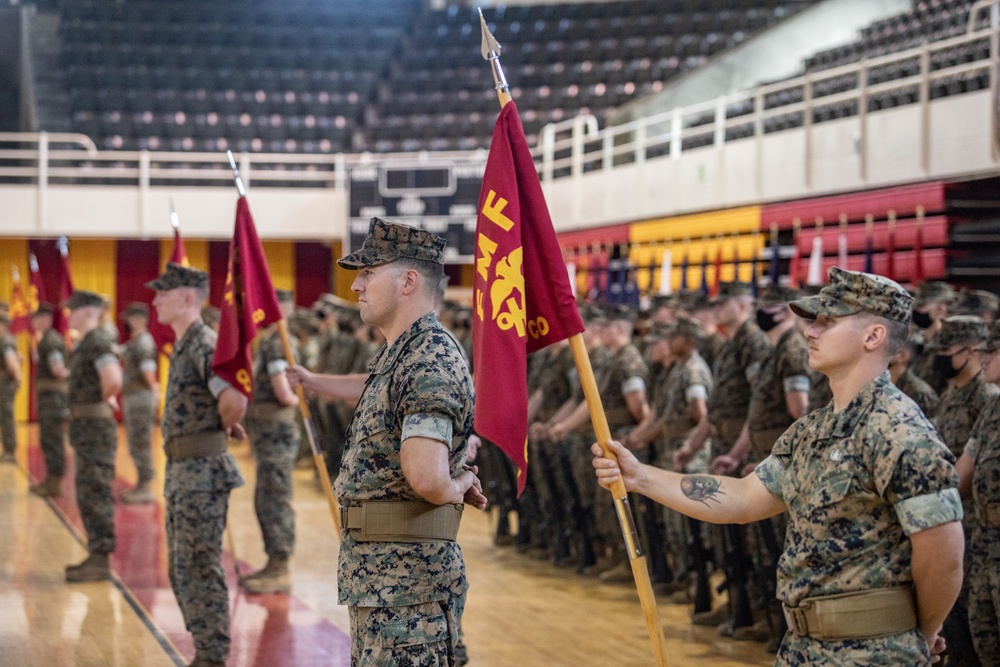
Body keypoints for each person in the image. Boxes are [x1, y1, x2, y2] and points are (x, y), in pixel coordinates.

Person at [592, 268, 964, 665]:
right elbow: (743, 497)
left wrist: (920, 634)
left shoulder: (898, 429)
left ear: (874, 336)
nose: (810, 331)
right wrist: (641, 477)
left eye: (828, 321)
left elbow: (943, 554)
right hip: (803, 647)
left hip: (873, 651)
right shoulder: (812, 429)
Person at [286, 217, 486, 666]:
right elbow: (377, 389)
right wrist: (314, 380)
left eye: (368, 272)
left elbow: (427, 477)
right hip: (385, 581)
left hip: (407, 587)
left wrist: (455, 485)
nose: (356, 285)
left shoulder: (429, 356)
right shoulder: (405, 352)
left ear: (408, 281)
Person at [148, 262, 247, 667]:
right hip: (184, 473)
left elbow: (235, 400)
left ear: (187, 297)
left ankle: (212, 655)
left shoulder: (205, 343)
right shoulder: (187, 344)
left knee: (199, 566)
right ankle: (206, 648)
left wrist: (217, 430)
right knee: (183, 567)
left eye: (162, 293)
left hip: (201, 474)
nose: (154, 301)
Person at [240, 288, 301, 594]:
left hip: (276, 431)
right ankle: (274, 563)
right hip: (268, 431)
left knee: (273, 497)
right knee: (268, 495)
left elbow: (284, 393)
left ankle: (280, 566)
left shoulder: (278, 343)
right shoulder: (275, 341)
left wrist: (296, 398)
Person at [65, 290, 122, 582]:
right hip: (87, 428)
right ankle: (96, 554)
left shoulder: (97, 340)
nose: (68, 315)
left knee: (95, 490)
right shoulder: (87, 342)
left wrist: (100, 401)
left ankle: (100, 558)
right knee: (88, 491)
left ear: (88, 311)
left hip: (94, 429)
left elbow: (113, 379)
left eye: (73, 310)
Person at [955, 322, 1000, 664]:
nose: (982, 359)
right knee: (983, 635)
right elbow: (962, 473)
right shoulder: (992, 409)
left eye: (992, 352)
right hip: (984, 542)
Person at [119, 302, 160, 504]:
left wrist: (153, 389)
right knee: (136, 443)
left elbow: (148, 371)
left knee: (140, 443)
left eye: (129, 318)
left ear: (138, 319)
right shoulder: (135, 341)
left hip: (139, 399)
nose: (127, 322)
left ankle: (145, 487)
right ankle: (142, 483)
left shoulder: (143, 342)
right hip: (133, 398)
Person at [29, 303, 70, 496]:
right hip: (48, 399)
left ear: (45, 318)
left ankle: (55, 483)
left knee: (53, 440)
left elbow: (58, 370)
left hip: (53, 400)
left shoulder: (51, 341)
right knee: (48, 439)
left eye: (36, 318)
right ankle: (50, 480)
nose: (33, 322)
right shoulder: (46, 339)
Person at [0, 312, 22, 464]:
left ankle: (10, 450)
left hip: (5, 384)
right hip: (6, 383)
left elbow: (12, 363)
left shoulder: (5, 341)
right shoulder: (7, 340)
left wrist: (16, 374)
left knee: (6, 415)